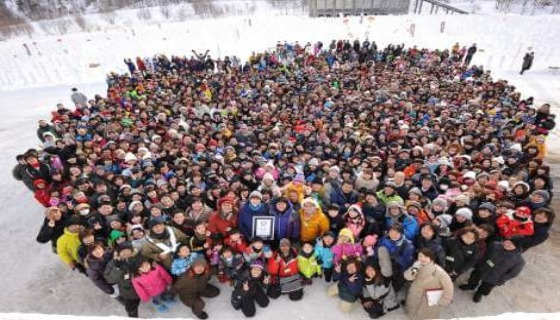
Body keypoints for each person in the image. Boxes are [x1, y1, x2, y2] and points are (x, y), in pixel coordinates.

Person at [460, 237, 526, 303]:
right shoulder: (494, 245)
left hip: (494, 277)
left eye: (511, 244)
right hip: (482, 268)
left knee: (486, 288)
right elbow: (484, 254)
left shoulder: (519, 261)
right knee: (474, 277)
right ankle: (471, 285)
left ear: (516, 247)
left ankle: (479, 293)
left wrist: (500, 280)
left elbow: (513, 273)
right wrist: (478, 265)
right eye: (508, 241)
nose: (507, 244)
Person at [404, 248, 454, 320]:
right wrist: (414, 268)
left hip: (429, 300)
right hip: (414, 295)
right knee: (412, 312)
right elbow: (408, 277)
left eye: (426, 257)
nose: (422, 259)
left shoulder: (439, 272)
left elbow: (448, 287)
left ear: (432, 258)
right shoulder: (417, 266)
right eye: (420, 256)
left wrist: (444, 301)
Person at [104, 242, 143, 318]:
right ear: (119, 252)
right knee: (131, 308)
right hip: (128, 291)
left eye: (128, 250)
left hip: (141, 287)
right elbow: (109, 279)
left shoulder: (138, 257)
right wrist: (117, 268)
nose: (126, 253)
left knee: (138, 300)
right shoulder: (113, 263)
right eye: (123, 251)